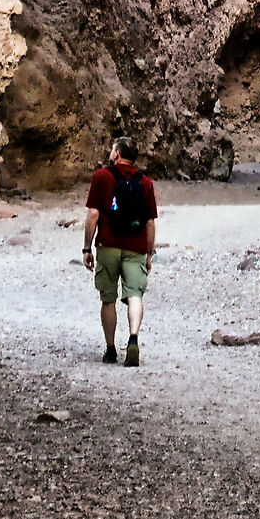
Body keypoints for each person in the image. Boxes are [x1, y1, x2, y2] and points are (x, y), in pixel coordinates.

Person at [82, 137, 157, 366]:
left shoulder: (101, 177)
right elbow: (150, 223)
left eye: (112, 150)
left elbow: (93, 214)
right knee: (135, 294)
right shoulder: (145, 183)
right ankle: (133, 339)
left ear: (117, 154)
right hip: (135, 247)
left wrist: (87, 247)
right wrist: (149, 253)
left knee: (108, 299)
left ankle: (111, 349)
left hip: (108, 244)